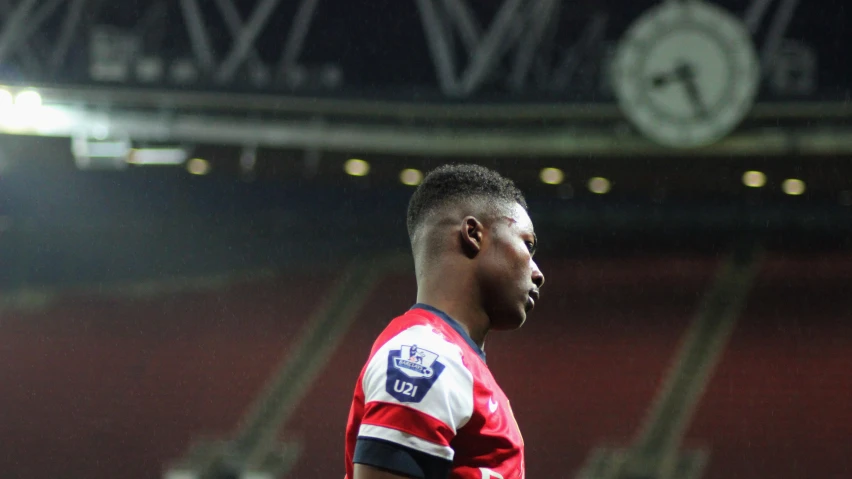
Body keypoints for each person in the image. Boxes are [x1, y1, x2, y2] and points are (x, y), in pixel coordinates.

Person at [344, 164, 545, 479]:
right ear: (474, 235)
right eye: (528, 245)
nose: (538, 272)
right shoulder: (424, 356)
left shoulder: (454, 362)